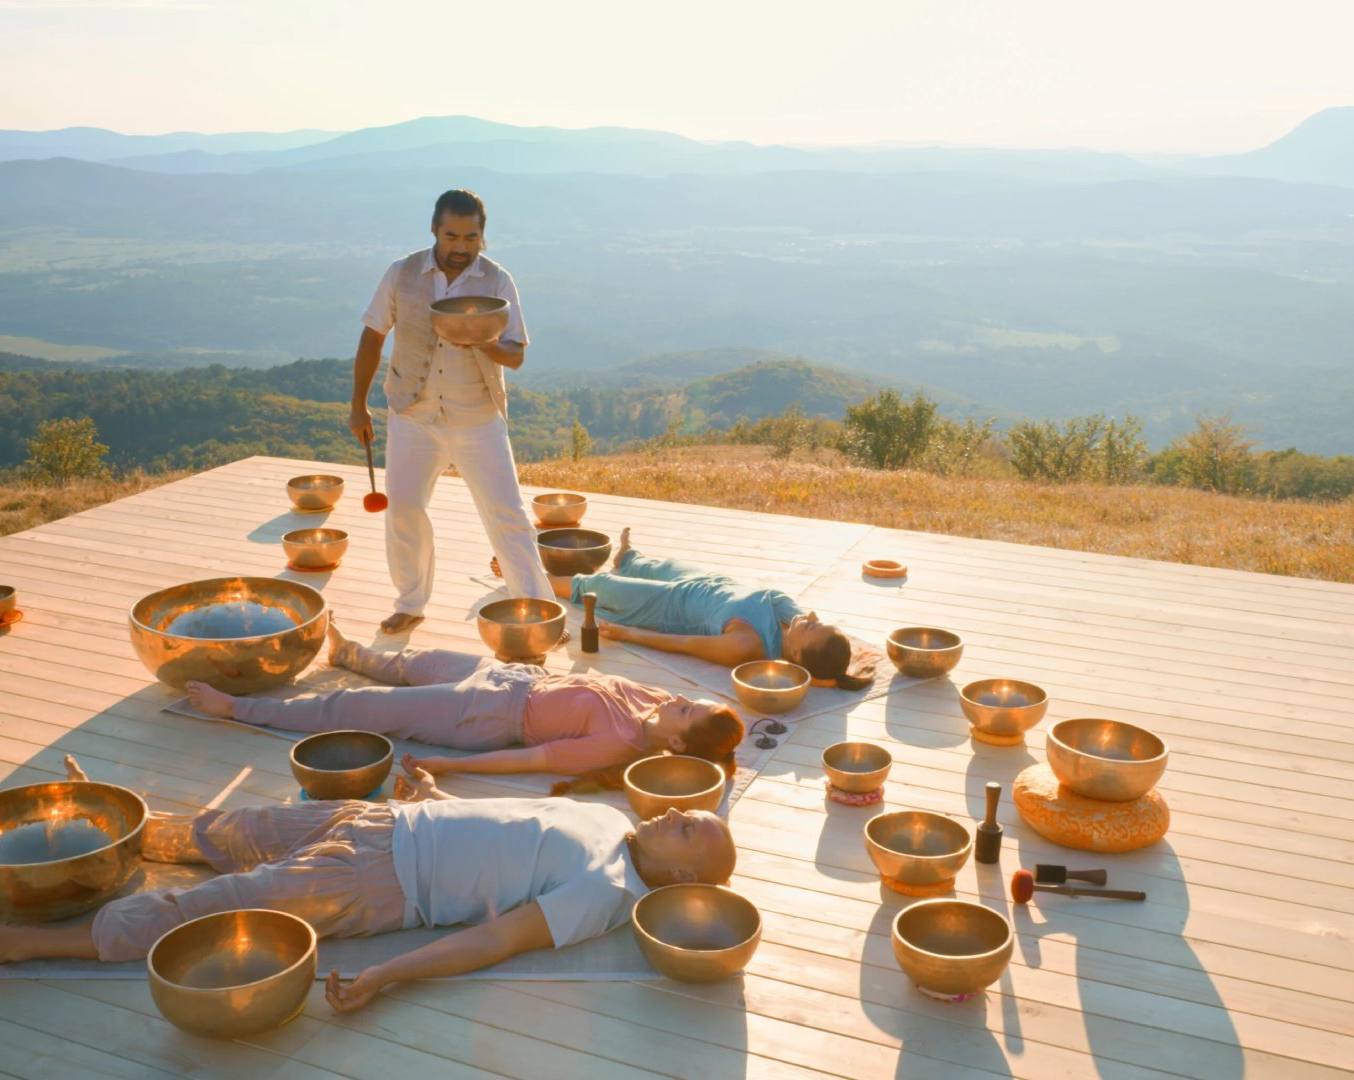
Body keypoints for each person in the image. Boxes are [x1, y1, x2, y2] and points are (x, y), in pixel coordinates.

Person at [0, 755, 737, 1015]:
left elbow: (495, 939)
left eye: (691, 828)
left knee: (208, 907)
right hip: (377, 822)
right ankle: (118, 833)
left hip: (378, 880)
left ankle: (19, 943)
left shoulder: (603, 893)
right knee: (226, 830)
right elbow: (507, 825)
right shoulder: (607, 818)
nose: (678, 811)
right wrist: (435, 801)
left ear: (682, 878)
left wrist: (389, 974)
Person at [185, 622, 743, 787]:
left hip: (482, 715)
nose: (682, 700)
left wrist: (449, 765)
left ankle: (236, 709)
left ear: (674, 742)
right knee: (411, 661)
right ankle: (349, 650)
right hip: (509, 675)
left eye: (687, 712)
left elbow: (527, 762)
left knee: (359, 707)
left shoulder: (614, 745)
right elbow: (705, 712)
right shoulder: (657, 701)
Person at [349, 188, 553, 636]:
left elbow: (515, 355)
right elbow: (372, 337)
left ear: (483, 236)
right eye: (452, 235)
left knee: (507, 514)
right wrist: (358, 406)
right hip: (412, 414)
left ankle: (539, 610)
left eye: (471, 237)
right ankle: (410, 602)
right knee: (403, 511)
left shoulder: (498, 280)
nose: (461, 246)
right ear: (434, 230)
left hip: (477, 416)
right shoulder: (402, 273)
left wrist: (481, 340)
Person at [552, 529, 878, 689]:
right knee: (659, 565)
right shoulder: (792, 618)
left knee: (604, 588)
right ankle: (628, 560)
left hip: (671, 605)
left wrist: (629, 634)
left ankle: (533, 577)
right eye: (815, 619)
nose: (809, 617)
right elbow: (828, 660)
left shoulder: (747, 645)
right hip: (711, 582)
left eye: (810, 627)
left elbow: (688, 645)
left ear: (796, 656)